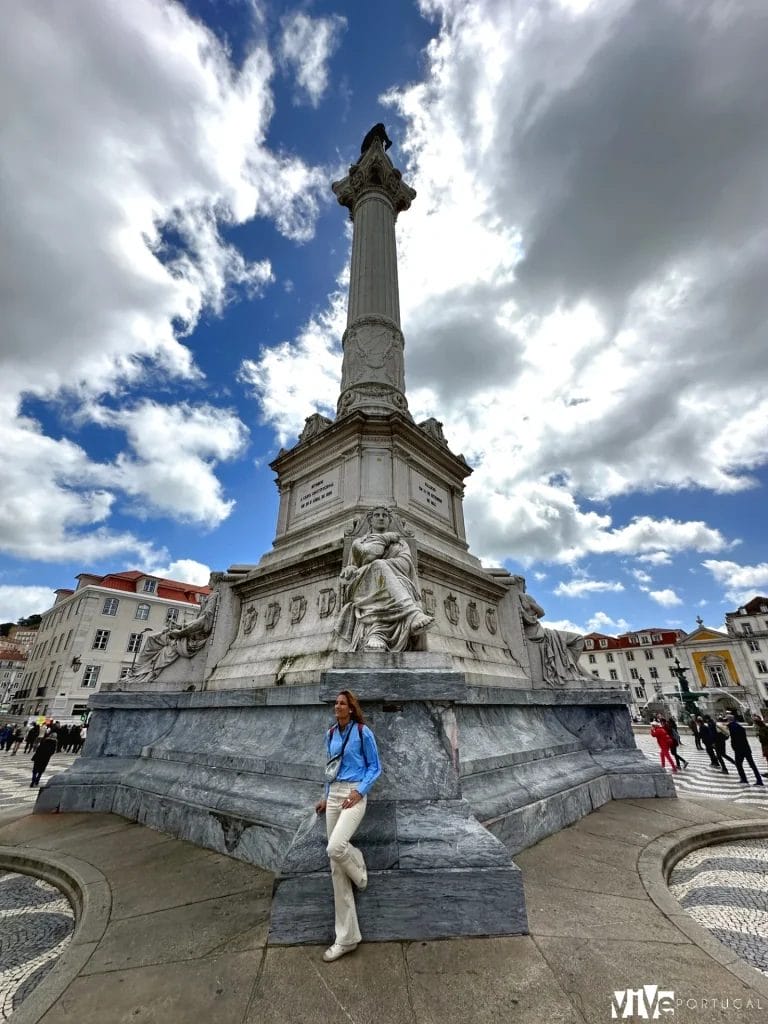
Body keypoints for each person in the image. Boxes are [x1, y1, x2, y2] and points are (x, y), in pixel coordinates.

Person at [315, 690, 381, 963]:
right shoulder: (331, 734)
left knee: (335, 847)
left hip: (354, 793)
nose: (337, 706)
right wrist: (325, 795)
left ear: (351, 708)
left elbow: (375, 767)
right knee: (336, 868)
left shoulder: (363, 732)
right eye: (336, 703)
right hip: (334, 795)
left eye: (342, 703)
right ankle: (346, 938)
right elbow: (330, 769)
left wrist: (360, 791)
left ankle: (359, 868)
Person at [334, 507, 433, 653]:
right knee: (378, 565)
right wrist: (350, 569)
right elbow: (359, 562)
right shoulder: (359, 543)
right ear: (370, 520)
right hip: (362, 584)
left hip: (397, 581)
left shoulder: (400, 544)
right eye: (377, 515)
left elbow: (405, 565)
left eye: (385, 515)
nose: (381, 518)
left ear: (389, 520)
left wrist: (380, 568)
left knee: (384, 573)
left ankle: (377, 634)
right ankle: (413, 614)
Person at [725, 712, 764, 786]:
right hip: (746, 748)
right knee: (752, 765)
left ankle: (744, 779)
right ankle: (759, 780)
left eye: (727, 720)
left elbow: (733, 737)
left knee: (738, 764)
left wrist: (734, 747)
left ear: (729, 720)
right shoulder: (740, 726)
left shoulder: (732, 726)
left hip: (739, 750)